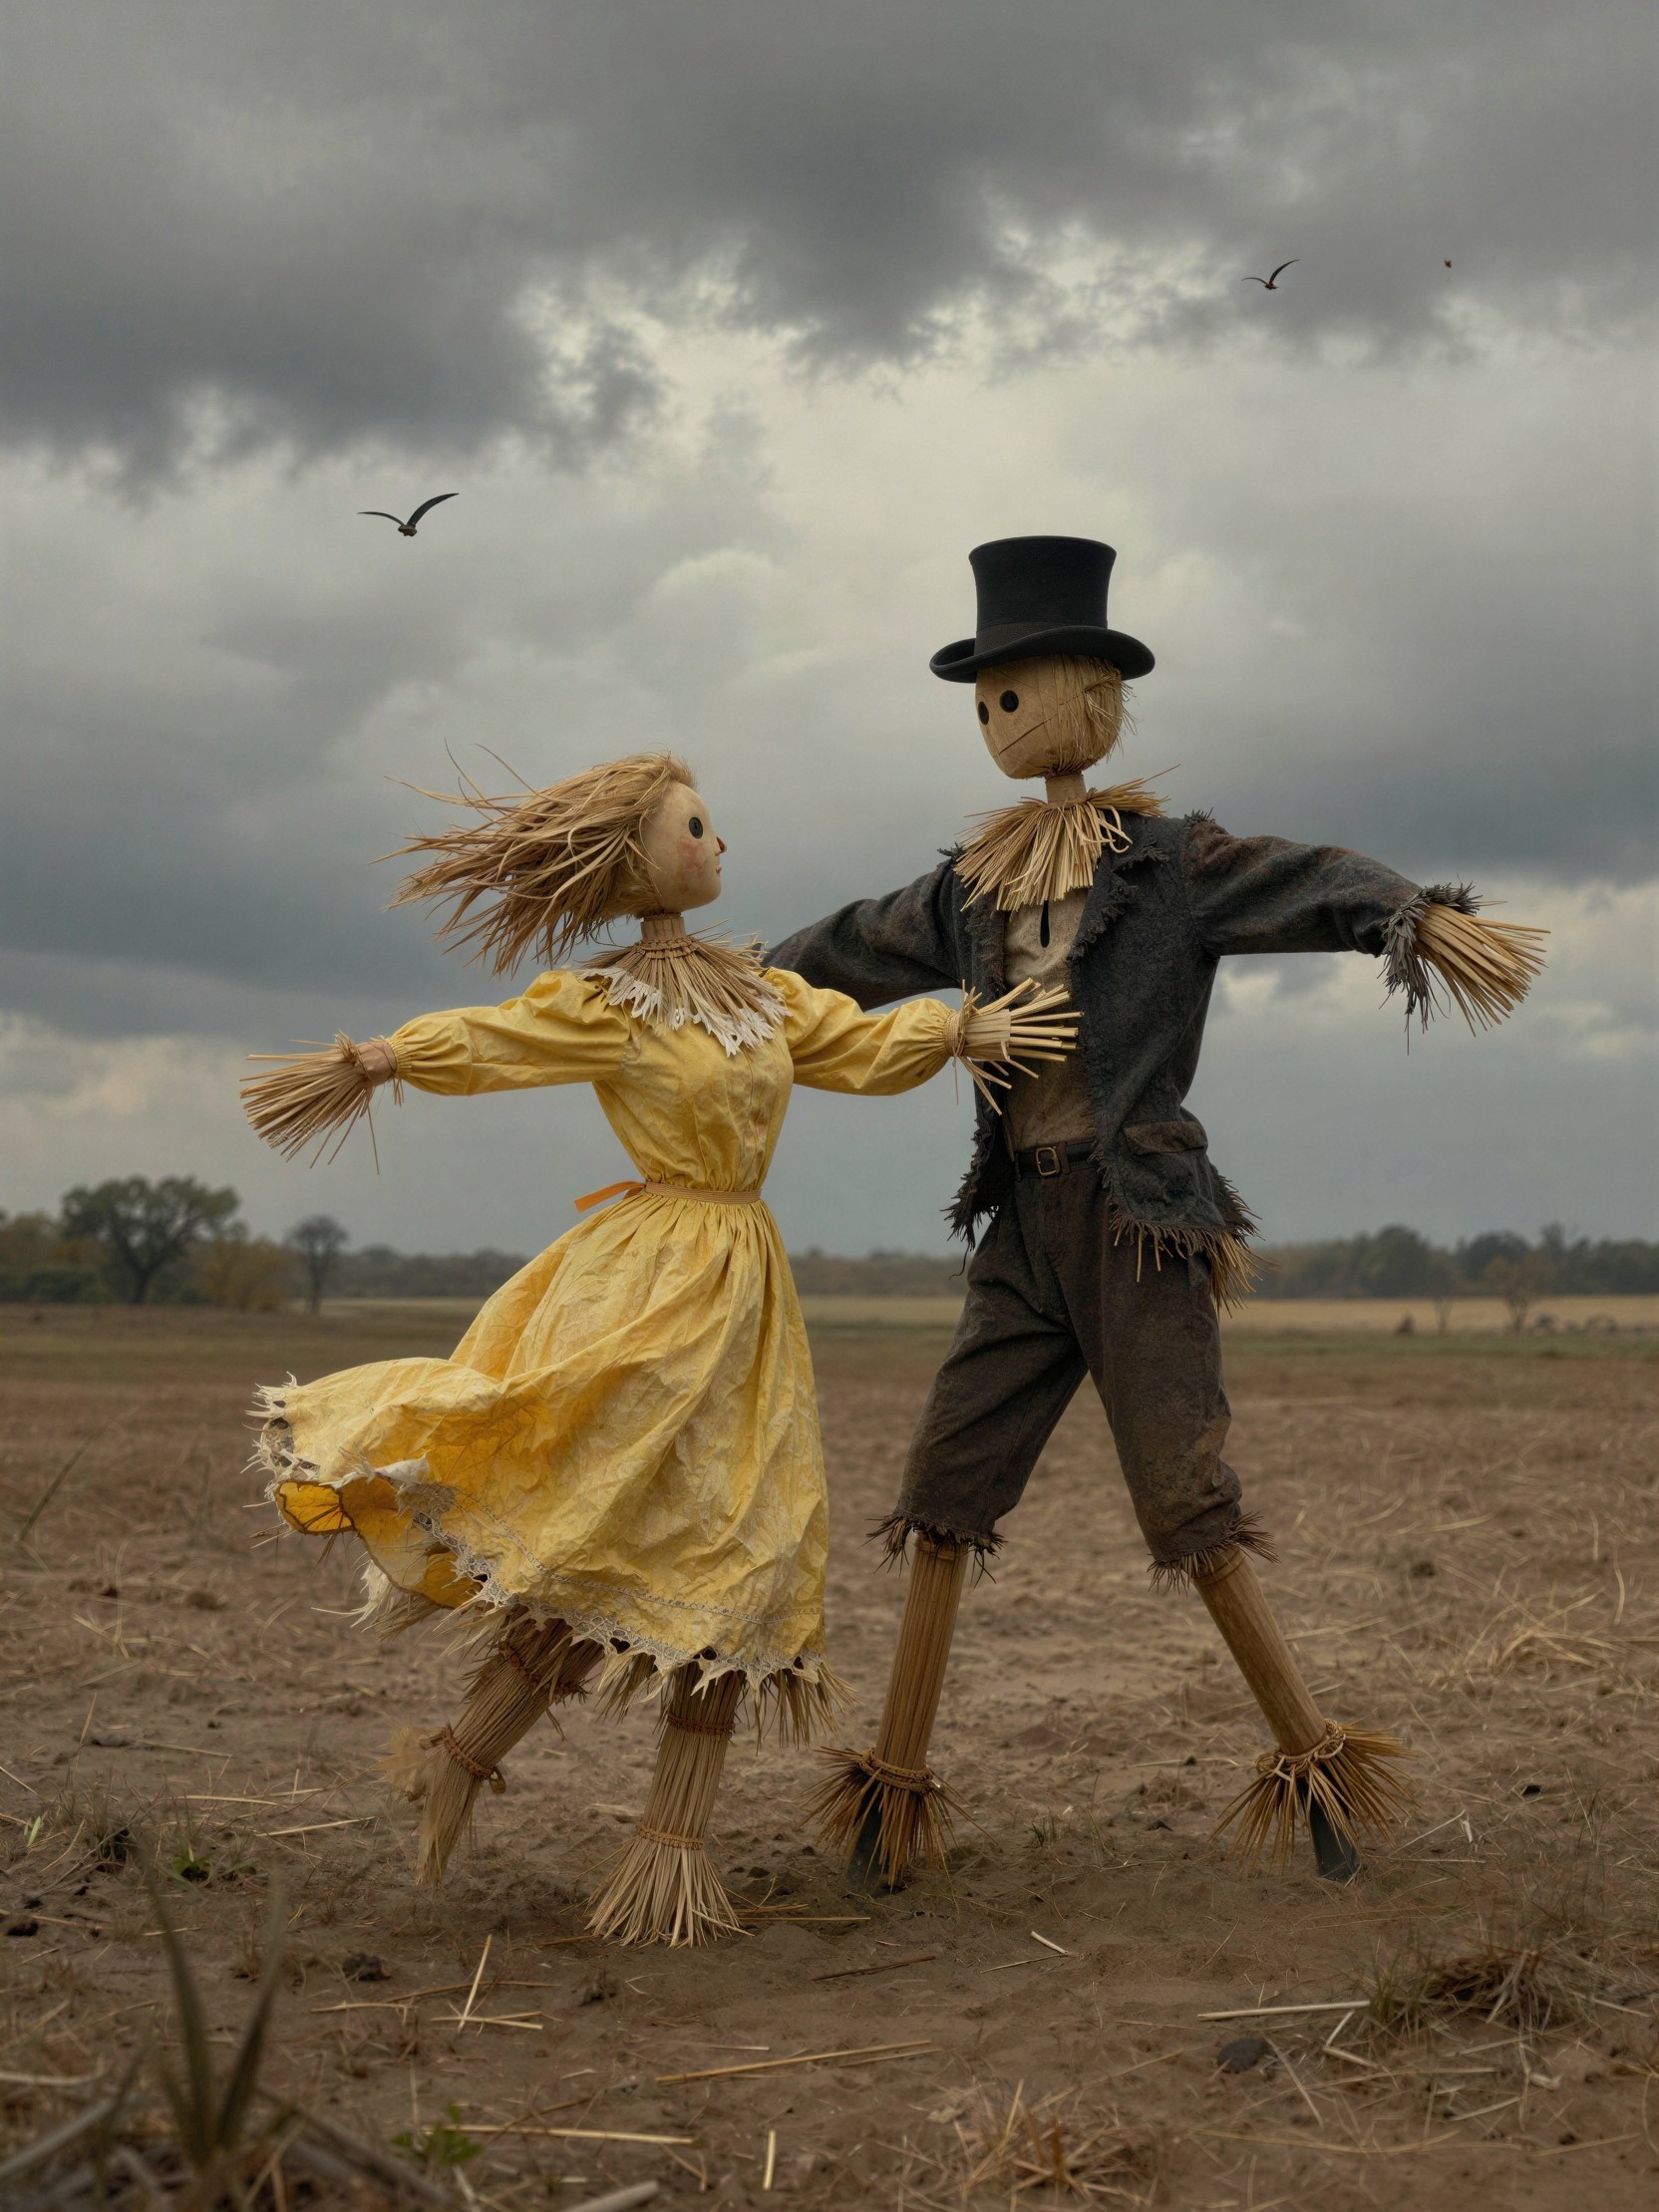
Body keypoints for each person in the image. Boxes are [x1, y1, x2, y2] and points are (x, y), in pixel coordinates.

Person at [770, 535, 1544, 1884]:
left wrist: (1409, 914)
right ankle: (892, 1790)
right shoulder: (971, 886)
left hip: (1137, 1224)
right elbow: (843, 945)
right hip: (1023, 1230)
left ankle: (1315, 1768)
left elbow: (1303, 878)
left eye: (1018, 693)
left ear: (1089, 698)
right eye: (984, 699)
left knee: (1188, 1500)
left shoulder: (1169, 861)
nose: (1003, 719)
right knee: (942, 1486)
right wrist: (718, 982)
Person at [242, 749, 1074, 1944]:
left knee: (733, 1543)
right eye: (695, 824)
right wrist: (378, 1059)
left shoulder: (758, 994)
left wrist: (958, 1030)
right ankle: (473, 1764)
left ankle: (630, 1838)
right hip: (645, 1290)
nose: (717, 844)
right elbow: (496, 1039)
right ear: (634, 855)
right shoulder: (610, 1003)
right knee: (617, 1533)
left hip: (742, 1288)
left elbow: (850, 1045)